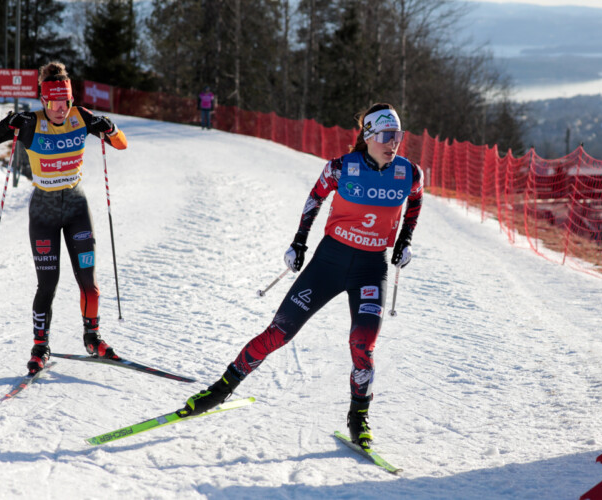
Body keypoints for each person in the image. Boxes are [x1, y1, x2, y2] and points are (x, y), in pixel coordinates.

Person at [177, 103, 423, 449]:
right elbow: (314, 198)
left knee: (362, 343)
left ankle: (359, 417)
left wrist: (405, 240)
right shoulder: (342, 168)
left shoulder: (409, 172)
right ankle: (219, 390)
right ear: (367, 136)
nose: (392, 143)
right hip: (330, 262)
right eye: (385, 135)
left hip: (371, 268)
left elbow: (415, 202)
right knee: (279, 333)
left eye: (396, 135)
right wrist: (298, 243)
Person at [0, 61, 128, 374]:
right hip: (44, 211)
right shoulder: (30, 123)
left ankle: (93, 338)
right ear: (43, 101)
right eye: (54, 103)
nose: (61, 109)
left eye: (66, 102)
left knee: (89, 282)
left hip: (76, 207)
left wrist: (108, 127)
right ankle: (40, 348)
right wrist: (8, 125)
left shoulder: (81, 116)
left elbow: (121, 144)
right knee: (48, 284)